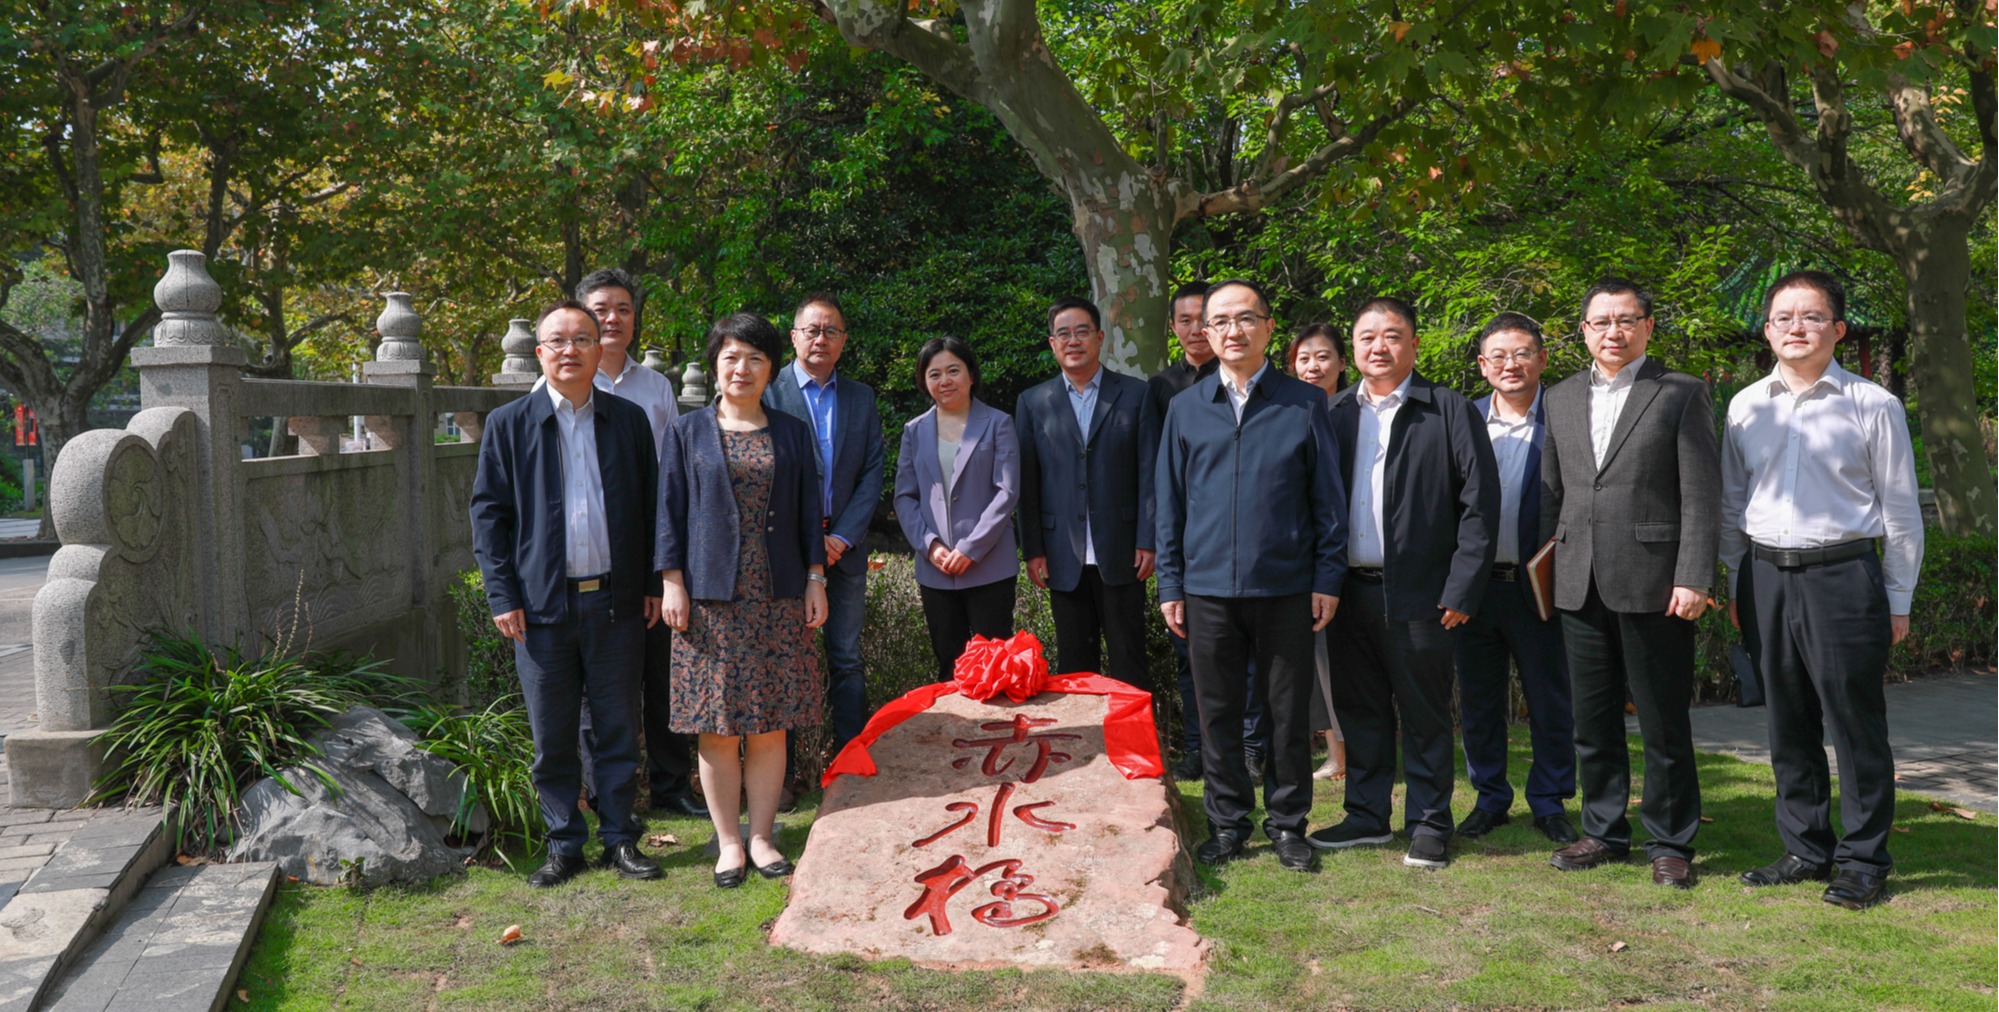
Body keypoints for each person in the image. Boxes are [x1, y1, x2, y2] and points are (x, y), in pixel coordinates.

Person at [1722, 270, 1923, 911]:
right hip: (1763, 577)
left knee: (1854, 724)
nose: (1796, 328)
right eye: (1784, 317)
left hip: (1843, 577)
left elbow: (1901, 512)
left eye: (1811, 317)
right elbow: (1731, 503)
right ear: (1767, 330)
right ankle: (1805, 848)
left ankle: (1864, 861)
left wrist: (1898, 598)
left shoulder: (1873, 404)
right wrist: (1735, 581)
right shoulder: (1745, 405)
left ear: (1837, 329)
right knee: (1787, 722)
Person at [469, 300, 664, 888]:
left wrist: (652, 584)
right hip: (540, 608)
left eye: (582, 339)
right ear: (540, 353)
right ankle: (563, 845)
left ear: (600, 349)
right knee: (552, 736)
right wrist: (502, 595)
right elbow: (488, 516)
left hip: (616, 603)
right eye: (558, 340)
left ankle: (620, 839)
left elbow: (652, 507)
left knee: (617, 729)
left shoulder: (628, 420)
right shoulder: (509, 424)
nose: (570, 350)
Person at [1155, 278, 1346, 874]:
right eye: (1219, 321)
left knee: (1287, 714)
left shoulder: (1303, 403)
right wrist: (1170, 583)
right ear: (1204, 332)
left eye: (1245, 318)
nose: (1232, 331)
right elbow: (1169, 504)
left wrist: (1327, 577)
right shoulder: (1185, 408)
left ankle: (1288, 824)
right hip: (1207, 590)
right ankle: (1228, 824)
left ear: (1268, 327)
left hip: (1286, 586)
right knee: (1216, 714)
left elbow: (1328, 502)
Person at [1540, 277, 1720, 890]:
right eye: (1600, 322)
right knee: (1591, 720)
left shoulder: (1680, 392)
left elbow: (1701, 494)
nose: (1612, 332)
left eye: (1625, 320)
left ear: (1647, 326)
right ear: (1584, 330)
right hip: (1578, 580)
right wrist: (1547, 572)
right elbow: (1552, 493)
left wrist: (1693, 575)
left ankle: (1670, 841)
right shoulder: (1560, 396)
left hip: (1655, 581)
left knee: (1664, 722)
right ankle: (1604, 830)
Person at [1313, 298, 1498, 871]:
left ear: (1414, 345)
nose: (1379, 347)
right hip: (1346, 591)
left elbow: (1480, 505)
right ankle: (1367, 815)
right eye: (1367, 336)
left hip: (1423, 593)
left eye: (1392, 335)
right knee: (1360, 709)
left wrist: (1462, 588)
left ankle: (1429, 823)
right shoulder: (1333, 412)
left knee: (1425, 714)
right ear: (1353, 348)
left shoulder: (1447, 409)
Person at [656, 312, 828, 889]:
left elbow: (808, 511)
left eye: (755, 358)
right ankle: (728, 841)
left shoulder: (792, 431)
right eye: (731, 357)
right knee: (718, 726)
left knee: (772, 723)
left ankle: (762, 836)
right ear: (714, 365)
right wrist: (672, 581)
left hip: (778, 595)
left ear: (771, 368)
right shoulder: (686, 432)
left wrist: (816, 577)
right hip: (711, 599)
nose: (742, 368)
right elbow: (668, 511)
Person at [570, 268, 704, 819]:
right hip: (592, 558)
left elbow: (671, 476)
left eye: (623, 309)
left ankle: (671, 786)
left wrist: (667, 565)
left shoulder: (655, 388)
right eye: (601, 309)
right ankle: (606, 794)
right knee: (601, 683)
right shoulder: (559, 384)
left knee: (663, 672)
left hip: (651, 547)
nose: (612, 319)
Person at [1455, 312, 1578, 844]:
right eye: (1499, 356)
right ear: (1483, 366)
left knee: (1551, 700)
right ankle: (1490, 799)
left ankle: (1550, 802)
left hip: (1542, 587)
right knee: (1479, 701)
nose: (1511, 364)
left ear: (1542, 360)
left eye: (1523, 353)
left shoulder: (1567, 419)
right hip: (1474, 589)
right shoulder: (1461, 419)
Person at [1147, 281, 1270, 782]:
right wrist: (1168, 567)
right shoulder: (1167, 392)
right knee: (1196, 666)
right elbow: (1164, 482)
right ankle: (1202, 751)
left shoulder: (1280, 396)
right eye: (1188, 321)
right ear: (1176, 328)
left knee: (1256, 668)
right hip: (1199, 560)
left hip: (1262, 563)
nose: (1200, 329)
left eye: (1209, 319)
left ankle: (1253, 751)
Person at [763, 293, 886, 757]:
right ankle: (787, 770)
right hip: (787, 548)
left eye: (831, 331)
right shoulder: (769, 392)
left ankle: (850, 761)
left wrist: (841, 536)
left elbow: (872, 472)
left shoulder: (861, 397)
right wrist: (809, 537)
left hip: (845, 547)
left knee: (847, 658)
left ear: (843, 340)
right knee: (787, 659)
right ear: (794, 336)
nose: (821, 339)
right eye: (812, 330)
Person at [1016, 296, 1157, 691]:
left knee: (1130, 661)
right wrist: (1033, 549)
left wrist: (1148, 538)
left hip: (1123, 549)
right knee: (1075, 667)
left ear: (1100, 338)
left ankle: (1133, 733)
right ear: (1052, 344)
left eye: (1082, 332)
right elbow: (1027, 482)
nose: (1073, 341)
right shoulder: (1033, 402)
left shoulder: (1136, 394)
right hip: (1062, 553)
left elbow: (1149, 472)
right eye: (1063, 334)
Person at [894, 337, 1021, 680]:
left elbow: (1007, 492)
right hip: (936, 570)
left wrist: (970, 548)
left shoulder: (998, 423)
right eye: (934, 374)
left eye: (953, 370)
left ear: (971, 375)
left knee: (994, 667)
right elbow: (904, 497)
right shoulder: (914, 431)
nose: (944, 380)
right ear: (924, 382)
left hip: (989, 566)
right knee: (949, 666)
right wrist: (930, 545)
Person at [1287, 323, 1349, 781]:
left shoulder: (1355, 410)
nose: (1313, 366)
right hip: (1304, 553)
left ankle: (1357, 749)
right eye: (1304, 358)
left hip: (1351, 548)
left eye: (1323, 356)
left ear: (1342, 363)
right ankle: (1336, 752)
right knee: (1319, 657)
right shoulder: (1290, 411)